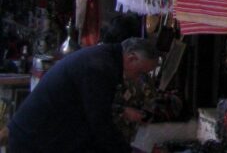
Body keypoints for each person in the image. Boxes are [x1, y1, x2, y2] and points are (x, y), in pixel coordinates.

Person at [5, 37, 160, 153]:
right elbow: (99, 122)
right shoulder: (100, 66)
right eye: (140, 72)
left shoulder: (105, 59)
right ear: (132, 58)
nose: (138, 78)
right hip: (34, 140)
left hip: (40, 137)